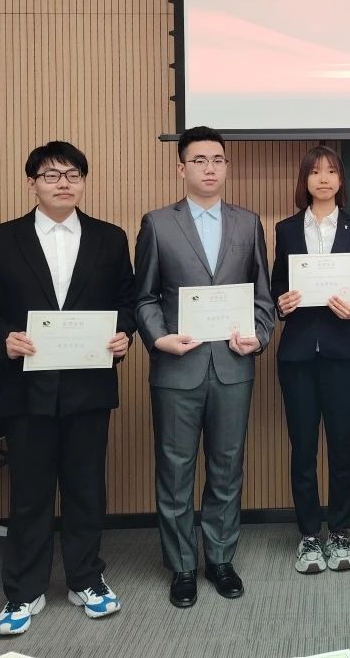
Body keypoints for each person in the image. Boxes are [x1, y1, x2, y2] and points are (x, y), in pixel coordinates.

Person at [0, 141, 136, 635]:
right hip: (25, 386)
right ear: (31, 183)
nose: (63, 183)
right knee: (30, 493)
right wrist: (2, 339)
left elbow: (127, 301)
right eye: (51, 175)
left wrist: (123, 333)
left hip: (88, 383)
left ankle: (86, 579)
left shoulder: (110, 237)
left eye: (73, 174)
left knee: (86, 487)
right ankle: (24, 589)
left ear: (83, 182)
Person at [135, 126, 275, 607]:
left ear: (226, 167)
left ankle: (219, 558)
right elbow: (144, 296)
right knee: (175, 470)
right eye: (199, 160)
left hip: (233, 366)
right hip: (178, 367)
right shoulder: (158, 223)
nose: (209, 168)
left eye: (217, 159)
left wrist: (259, 335)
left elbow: (263, 296)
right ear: (181, 168)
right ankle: (181, 566)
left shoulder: (248, 223)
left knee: (227, 466)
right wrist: (158, 338)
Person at [270, 145, 350, 574]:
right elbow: (277, 284)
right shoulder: (286, 229)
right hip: (297, 353)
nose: (324, 179)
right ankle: (309, 535)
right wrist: (282, 303)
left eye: (331, 171)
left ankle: (341, 532)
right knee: (303, 448)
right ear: (305, 180)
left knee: (341, 446)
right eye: (315, 172)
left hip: (342, 352)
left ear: (340, 180)